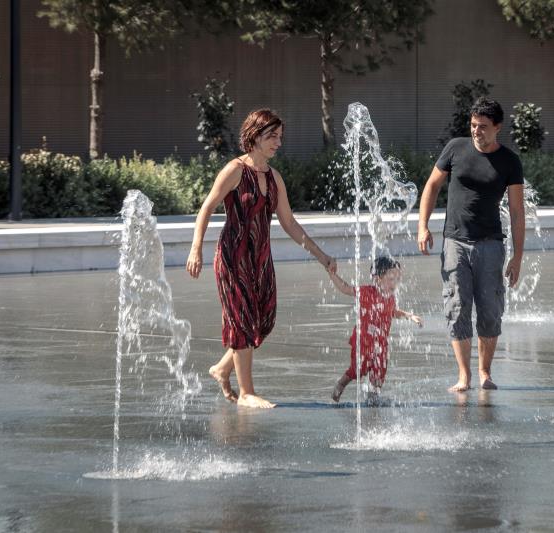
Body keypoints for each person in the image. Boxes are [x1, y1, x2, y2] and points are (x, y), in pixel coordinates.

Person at [186, 108, 336, 409]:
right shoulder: (235, 171)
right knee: (242, 320)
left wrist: (322, 255)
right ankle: (246, 392)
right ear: (253, 136)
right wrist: (196, 247)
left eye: (280, 137)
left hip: (260, 258)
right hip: (232, 256)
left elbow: (290, 223)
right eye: (272, 136)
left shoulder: (274, 178)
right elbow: (206, 207)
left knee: (263, 321)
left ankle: (222, 368)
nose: (278, 142)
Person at [417, 97, 525, 392]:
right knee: (457, 306)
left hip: (490, 245)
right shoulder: (455, 148)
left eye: (484, 127)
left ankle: (485, 373)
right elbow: (432, 185)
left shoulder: (509, 161)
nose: (477, 131)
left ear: (497, 128)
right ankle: (464, 375)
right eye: (474, 125)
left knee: (490, 310)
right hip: (455, 242)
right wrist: (423, 225)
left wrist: (517, 257)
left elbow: (517, 212)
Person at [328, 256, 423, 402]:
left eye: (397, 279)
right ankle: (341, 384)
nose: (395, 284)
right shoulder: (366, 292)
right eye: (391, 279)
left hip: (381, 342)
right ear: (378, 279)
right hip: (363, 341)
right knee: (358, 370)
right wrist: (332, 275)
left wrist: (409, 316)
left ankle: (373, 396)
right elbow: (346, 288)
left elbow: (393, 312)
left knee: (380, 371)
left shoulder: (390, 298)